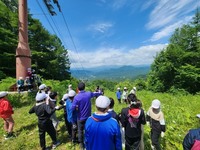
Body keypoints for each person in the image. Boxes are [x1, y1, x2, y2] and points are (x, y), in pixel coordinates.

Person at [72, 82, 102, 149]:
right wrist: (100, 92)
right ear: (84, 87)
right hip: (88, 117)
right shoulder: (88, 94)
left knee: (80, 131)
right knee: (89, 129)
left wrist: (77, 108)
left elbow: (72, 108)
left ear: (78, 88)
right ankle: (90, 142)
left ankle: (81, 145)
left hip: (80, 117)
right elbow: (95, 94)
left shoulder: (76, 97)